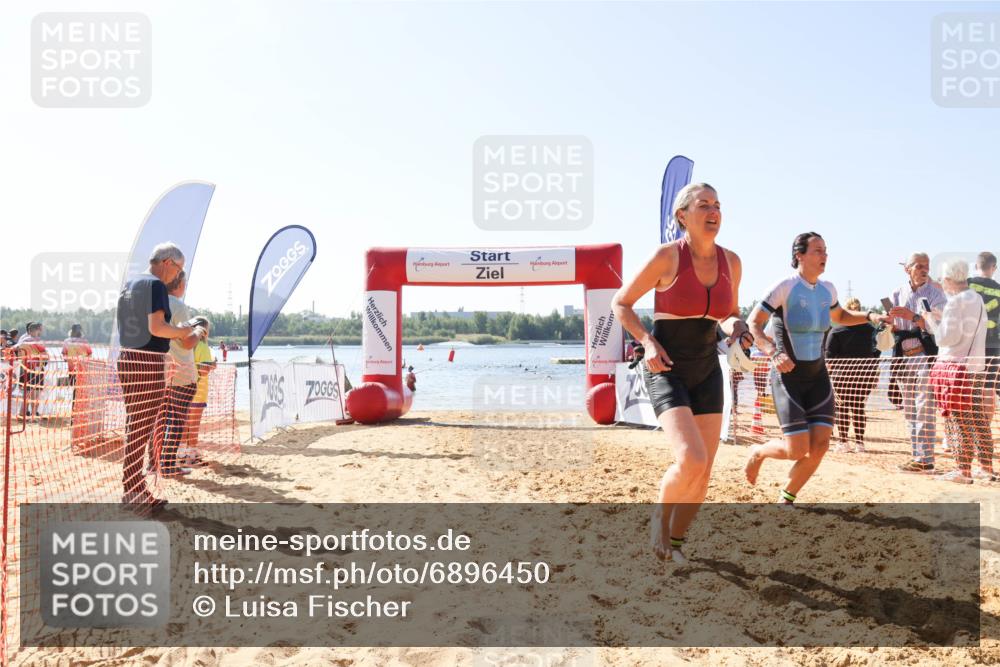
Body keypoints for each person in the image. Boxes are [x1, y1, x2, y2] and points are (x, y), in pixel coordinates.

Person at [612, 182, 750, 562]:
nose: (713, 211)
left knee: (703, 476)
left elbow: (728, 314)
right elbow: (620, 303)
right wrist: (647, 342)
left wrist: (737, 327)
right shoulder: (667, 258)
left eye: (717, 205)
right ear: (682, 216)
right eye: (704, 205)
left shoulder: (732, 262)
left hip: (708, 368)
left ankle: (674, 545)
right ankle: (660, 513)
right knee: (692, 460)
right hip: (665, 367)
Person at [744, 233, 886, 504]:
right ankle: (759, 452)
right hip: (788, 377)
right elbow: (753, 323)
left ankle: (787, 496)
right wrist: (773, 352)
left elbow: (840, 316)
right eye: (818, 251)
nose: (824, 256)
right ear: (800, 255)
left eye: (826, 251)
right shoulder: (784, 286)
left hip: (818, 376)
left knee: (820, 446)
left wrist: (869, 316)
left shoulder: (828, 289)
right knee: (796, 449)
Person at [116, 242, 204, 509]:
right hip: (147, 362)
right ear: (167, 262)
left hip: (128, 359)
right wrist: (186, 332)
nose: (177, 276)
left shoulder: (130, 284)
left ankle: (133, 489)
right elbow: (157, 327)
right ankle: (133, 491)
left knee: (136, 427)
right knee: (141, 430)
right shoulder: (155, 286)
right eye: (178, 269)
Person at [926, 259, 989, 484]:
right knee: (978, 416)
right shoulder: (976, 298)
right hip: (976, 366)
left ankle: (963, 471)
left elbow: (946, 338)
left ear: (950, 279)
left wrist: (931, 322)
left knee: (957, 418)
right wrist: (943, 319)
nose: (942, 282)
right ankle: (986, 467)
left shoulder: (955, 302)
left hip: (956, 367)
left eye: (943, 278)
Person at [888, 253, 948, 473]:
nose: (924, 270)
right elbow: (894, 324)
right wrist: (889, 323)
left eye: (927, 266)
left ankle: (926, 458)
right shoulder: (897, 292)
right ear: (908, 269)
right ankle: (916, 456)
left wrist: (914, 317)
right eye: (919, 266)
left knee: (925, 407)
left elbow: (938, 327)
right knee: (909, 408)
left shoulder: (936, 294)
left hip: (925, 355)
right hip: (903, 356)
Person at [824, 297, 880, 453]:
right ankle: (860, 444)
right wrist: (875, 374)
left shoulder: (836, 330)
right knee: (858, 407)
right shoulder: (870, 330)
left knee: (842, 407)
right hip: (865, 373)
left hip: (842, 374)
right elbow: (877, 352)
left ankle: (843, 442)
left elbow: (829, 357)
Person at [968, 251, 999, 472]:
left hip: (971, 346)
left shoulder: (967, 285)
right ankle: (984, 435)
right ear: (994, 267)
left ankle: (972, 439)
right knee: (987, 392)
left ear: (976, 265)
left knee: (970, 394)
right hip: (994, 347)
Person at [182, 320, 216, 467]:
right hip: (198, 391)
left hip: (182, 389)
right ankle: (192, 455)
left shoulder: (183, 345)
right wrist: (212, 365)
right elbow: (203, 370)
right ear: (205, 331)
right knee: (194, 424)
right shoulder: (203, 347)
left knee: (183, 424)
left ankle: (181, 453)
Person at [62, 324, 94, 449]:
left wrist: (71, 359)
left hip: (72, 371)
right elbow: (90, 355)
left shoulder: (66, 341)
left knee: (75, 396)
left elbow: (64, 356)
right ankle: (77, 420)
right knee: (80, 396)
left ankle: (73, 419)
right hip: (83, 371)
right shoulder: (84, 342)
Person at [16, 322, 49, 419]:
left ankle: (22, 413)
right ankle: (33, 416)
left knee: (26, 393)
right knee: (36, 394)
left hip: (24, 368)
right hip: (36, 370)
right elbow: (45, 355)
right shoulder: (37, 341)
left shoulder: (22, 340)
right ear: (37, 330)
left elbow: (17, 353)